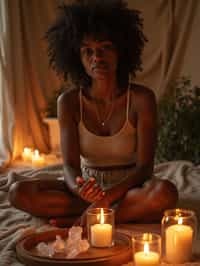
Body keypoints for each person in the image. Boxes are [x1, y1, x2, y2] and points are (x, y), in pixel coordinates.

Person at [9, 0, 178, 226]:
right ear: (77, 58)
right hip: (86, 189)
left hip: (129, 187)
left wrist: (108, 197)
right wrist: (81, 188)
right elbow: (69, 166)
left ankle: (81, 219)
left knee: (165, 193)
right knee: (18, 191)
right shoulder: (68, 102)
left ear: (121, 50)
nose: (96, 57)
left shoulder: (141, 99)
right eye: (87, 51)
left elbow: (145, 168)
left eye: (105, 47)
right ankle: (107, 213)